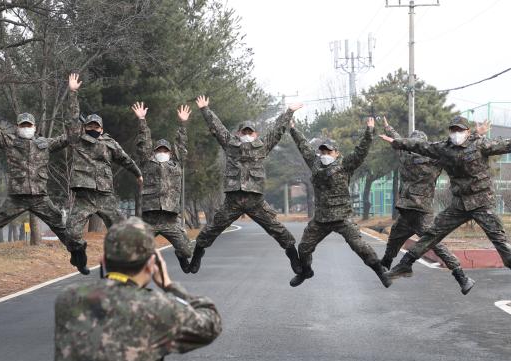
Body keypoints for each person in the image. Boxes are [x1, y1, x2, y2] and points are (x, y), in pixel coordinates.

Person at [31, 217, 222, 361]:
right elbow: (211, 323)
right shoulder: (156, 309)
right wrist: (169, 286)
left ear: (103, 260)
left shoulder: (68, 299)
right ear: (152, 265)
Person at [379, 116, 511, 292]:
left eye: (460, 130)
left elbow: (509, 144)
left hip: (481, 203)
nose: (456, 133)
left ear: (467, 132)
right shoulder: (443, 148)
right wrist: (397, 142)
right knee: (432, 234)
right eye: (453, 130)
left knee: (499, 240)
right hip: (459, 205)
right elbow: (419, 146)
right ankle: (405, 265)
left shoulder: (479, 145)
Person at [0, 76, 78, 276]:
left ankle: (77, 254)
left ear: (35, 127)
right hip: (16, 198)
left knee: (60, 227)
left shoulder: (45, 144)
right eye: (23, 125)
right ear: (18, 127)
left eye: (29, 125)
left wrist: (72, 96)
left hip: (40, 198)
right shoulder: (9, 142)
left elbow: (71, 136)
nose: (26, 128)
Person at [188, 95, 303, 275]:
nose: (247, 135)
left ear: (255, 134)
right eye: (244, 132)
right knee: (210, 230)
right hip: (233, 201)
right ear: (238, 134)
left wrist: (289, 112)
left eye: (250, 132)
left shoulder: (262, 146)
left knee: (279, 230)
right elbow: (217, 128)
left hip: (255, 201)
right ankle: (196, 257)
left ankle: (295, 261)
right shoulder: (230, 145)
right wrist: (205, 109)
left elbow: (277, 130)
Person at [288, 117, 391, 288]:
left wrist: (369, 131)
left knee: (360, 246)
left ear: (336, 153)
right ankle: (306, 271)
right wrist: (293, 129)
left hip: (343, 217)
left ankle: (380, 271)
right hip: (321, 219)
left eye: (329, 152)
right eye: (322, 152)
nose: (325, 155)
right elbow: (303, 146)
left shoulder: (345, 165)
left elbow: (361, 151)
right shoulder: (315, 164)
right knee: (304, 248)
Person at [380, 117, 475, 295]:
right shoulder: (434, 159)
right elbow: (451, 149)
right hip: (416, 211)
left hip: (413, 211)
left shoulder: (405, 154)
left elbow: (398, 139)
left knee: (420, 242)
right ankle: (385, 267)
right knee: (401, 237)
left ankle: (462, 277)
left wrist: (388, 127)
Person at [65, 74, 144, 275]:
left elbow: (125, 159)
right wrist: (73, 93)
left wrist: (137, 173)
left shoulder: (110, 143)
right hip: (85, 196)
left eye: (96, 126)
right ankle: (79, 255)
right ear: (85, 127)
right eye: (89, 126)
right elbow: (72, 118)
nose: (92, 128)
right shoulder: (77, 139)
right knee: (72, 234)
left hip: (105, 196)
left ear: (101, 128)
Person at [132, 101, 193, 273]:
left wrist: (182, 124)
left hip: (170, 221)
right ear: (154, 152)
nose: (162, 153)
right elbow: (143, 144)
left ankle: (180, 256)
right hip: (150, 220)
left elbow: (181, 145)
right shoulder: (147, 163)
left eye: (165, 151)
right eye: (159, 150)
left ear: (170, 153)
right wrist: (142, 120)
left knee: (187, 251)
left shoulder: (176, 164)